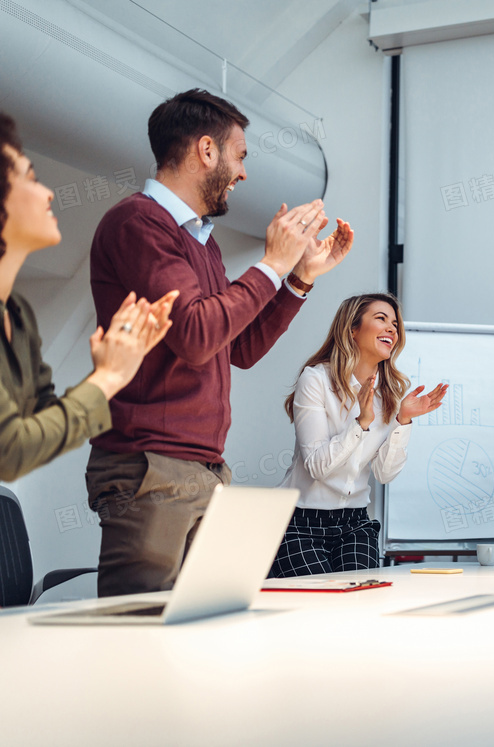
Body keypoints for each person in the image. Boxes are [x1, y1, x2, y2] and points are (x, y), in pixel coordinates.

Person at [85, 89, 354, 599]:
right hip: (151, 467)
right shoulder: (139, 223)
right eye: (240, 154)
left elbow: (238, 347)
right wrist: (271, 263)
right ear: (206, 150)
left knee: (201, 634)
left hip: (202, 469)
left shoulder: (199, 241)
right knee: (136, 642)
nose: (244, 172)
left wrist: (297, 279)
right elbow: (197, 334)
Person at [0, 110, 174, 482]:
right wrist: (109, 376)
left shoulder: (18, 314)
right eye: (30, 178)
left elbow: (40, 420)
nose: (47, 192)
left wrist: (115, 366)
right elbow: (9, 451)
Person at [270, 293, 447, 576]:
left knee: (361, 607)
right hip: (300, 524)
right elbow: (317, 466)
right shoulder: (315, 380)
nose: (392, 328)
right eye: (381, 319)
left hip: (355, 524)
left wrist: (403, 420)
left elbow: (384, 473)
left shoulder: (389, 395)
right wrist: (360, 424)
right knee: (316, 606)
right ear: (352, 330)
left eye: (394, 323)